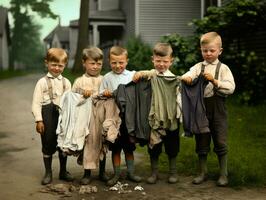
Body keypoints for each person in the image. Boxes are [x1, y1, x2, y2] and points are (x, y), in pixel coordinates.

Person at [181, 32, 235, 186]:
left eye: (212, 50)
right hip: (201, 108)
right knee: (202, 139)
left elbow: (231, 88)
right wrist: (188, 78)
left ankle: (223, 174)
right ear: (201, 50)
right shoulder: (198, 67)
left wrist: (216, 81)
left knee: (220, 139)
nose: (208, 53)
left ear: (220, 51)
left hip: (218, 108)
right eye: (205, 51)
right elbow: (188, 75)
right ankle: (202, 172)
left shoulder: (223, 68)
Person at [133, 42, 182, 184]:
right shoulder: (151, 75)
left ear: (171, 61)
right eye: (158, 61)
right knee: (154, 146)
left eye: (165, 61)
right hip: (155, 117)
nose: (161, 64)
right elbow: (142, 74)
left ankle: (173, 172)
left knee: (172, 145)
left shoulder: (174, 79)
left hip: (170, 117)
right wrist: (139, 74)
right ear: (152, 59)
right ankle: (154, 172)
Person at [99, 46, 142, 186]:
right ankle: (116, 174)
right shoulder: (107, 77)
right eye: (114, 62)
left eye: (121, 62)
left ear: (127, 61)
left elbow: (145, 78)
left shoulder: (132, 75)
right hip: (114, 118)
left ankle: (131, 172)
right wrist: (105, 92)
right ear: (109, 62)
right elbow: (101, 94)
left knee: (129, 147)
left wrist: (139, 76)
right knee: (116, 148)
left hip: (128, 118)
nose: (117, 66)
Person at [31, 48, 73, 185]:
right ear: (46, 63)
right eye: (53, 65)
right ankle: (48, 172)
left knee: (62, 144)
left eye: (60, 65)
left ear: (64, 65)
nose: (56, 68)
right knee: (48, 143)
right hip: (47, 115)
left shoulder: (66, 83)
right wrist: (39, 120)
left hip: (62, 116)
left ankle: (63, 171)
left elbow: (69, 102)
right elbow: (36, 103)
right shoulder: (41, 82)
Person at [71, 46, 107, 185]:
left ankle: (102, 172)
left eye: (99, 64)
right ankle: (87, 173)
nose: (95, 67)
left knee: (102, 143)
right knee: (88, 144)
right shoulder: (79, 81)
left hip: (101, 117)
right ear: (84, 63)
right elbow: (73, 98)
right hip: (86, 118)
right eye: (92, 63)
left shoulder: (104, 79)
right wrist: (82, 94)